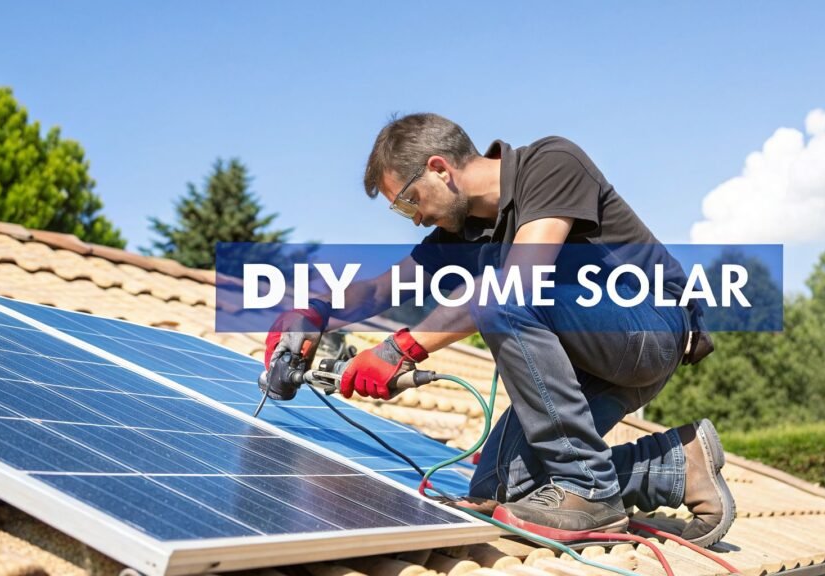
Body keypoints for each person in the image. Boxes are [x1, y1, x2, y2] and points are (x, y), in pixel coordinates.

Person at [263, 113, 733, 547]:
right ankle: (677, 466)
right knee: (499, 490)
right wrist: (314, 309)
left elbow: (518, 283)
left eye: (409, 202)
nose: (417, 218)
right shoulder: (462, 234)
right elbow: (379, 291)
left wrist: (399, 348)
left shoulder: (550, 163)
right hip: (591, 358)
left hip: (649, 330)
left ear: (439, 168)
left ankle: (590, 490)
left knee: (501, 290)